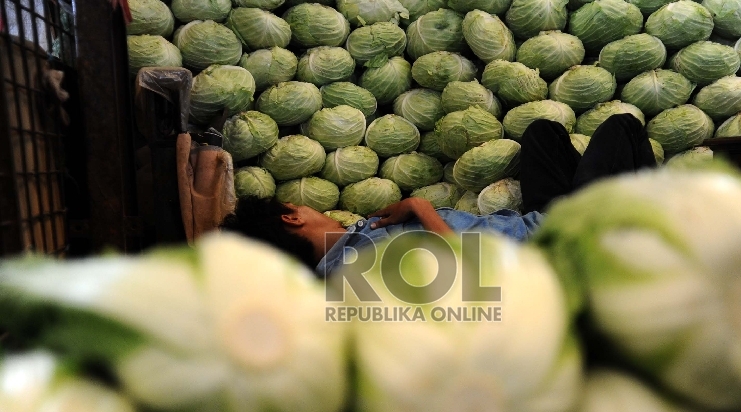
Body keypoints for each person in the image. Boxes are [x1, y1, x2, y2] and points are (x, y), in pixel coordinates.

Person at [221, 113, 656, 277]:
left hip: (529, 221)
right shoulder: (362, 265)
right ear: (292, 220)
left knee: (542, 133)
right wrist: (418, 206)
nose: (312, 207)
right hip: (557, 242)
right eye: (301, 206)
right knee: (622, 128)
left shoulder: (348, 246)